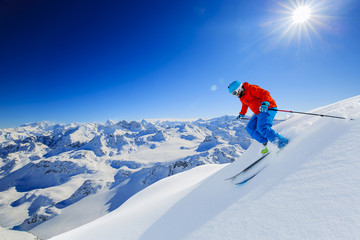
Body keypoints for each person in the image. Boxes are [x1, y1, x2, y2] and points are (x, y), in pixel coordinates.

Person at [228, 80, 289, 154]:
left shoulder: (251, 88)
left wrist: (265, 103)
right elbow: (244, 105)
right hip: (258, 112)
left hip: (268, 108)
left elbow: (265, 93)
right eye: (233, 94)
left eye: (235, 93)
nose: (236, 95)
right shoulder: (242, 97)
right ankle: (265, 143)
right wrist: (241, 114)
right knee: (250, 128)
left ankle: (283, 144)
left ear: (239, 88)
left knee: (262, 128)